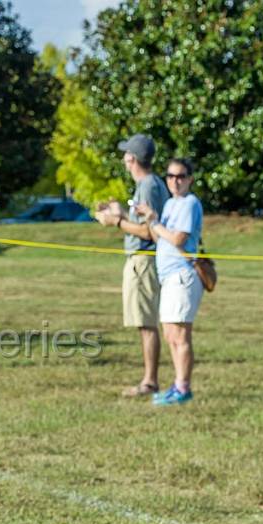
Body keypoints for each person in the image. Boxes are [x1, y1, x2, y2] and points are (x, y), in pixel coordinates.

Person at [94, 133, 169, 397]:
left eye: (126, 154)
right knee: (143, 322)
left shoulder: (148, 185)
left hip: (144, 261)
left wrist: (115, 223)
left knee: (146, 323)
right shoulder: (150, 183)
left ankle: (150, 382)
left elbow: (150, 232)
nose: (124, 159)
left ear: (133, 158)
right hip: (143, 261)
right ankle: (149, 380)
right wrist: (120, 214)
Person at [136, 157, 204, 406]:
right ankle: (177, 385)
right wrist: (150, 217)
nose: (175, 181)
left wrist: (155, 223)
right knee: (170, 335)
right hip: (168, 277)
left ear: (190, 179)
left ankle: (183, 388)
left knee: (181, 335)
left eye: (181, 176)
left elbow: (177, 239)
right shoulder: (170, 205)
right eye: (171, 176)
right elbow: (158, 236)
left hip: (182, 275)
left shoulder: (190, 203)